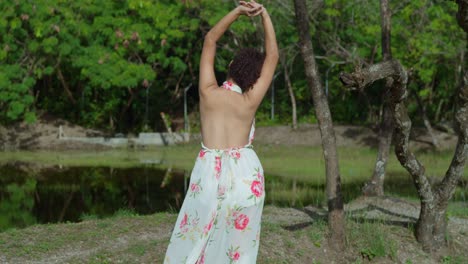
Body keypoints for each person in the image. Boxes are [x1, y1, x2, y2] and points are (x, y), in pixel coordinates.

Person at [164, 1, 278, 263]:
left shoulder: (207, 92)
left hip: (209, 174)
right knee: (238, 250)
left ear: (230, 65)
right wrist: (265, 15)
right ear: (255, 79)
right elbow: (273, 56)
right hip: (245, 176)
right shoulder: (249, 101)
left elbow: (210, 39)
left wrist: (238, 11)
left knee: (196, 239)